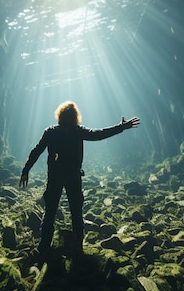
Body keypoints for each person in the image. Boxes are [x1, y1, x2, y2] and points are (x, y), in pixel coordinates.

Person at [19, 100, 140, 258]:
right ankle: (77, 249)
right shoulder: (77, 131)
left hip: (56, 176)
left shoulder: (51, 132)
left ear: (60, 116)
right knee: (76, 213)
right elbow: (99, 134)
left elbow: (37, 151)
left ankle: (44, 248)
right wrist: (121, 127)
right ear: (75, 117)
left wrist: (26, 170)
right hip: (72, 177)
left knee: (50, 213)